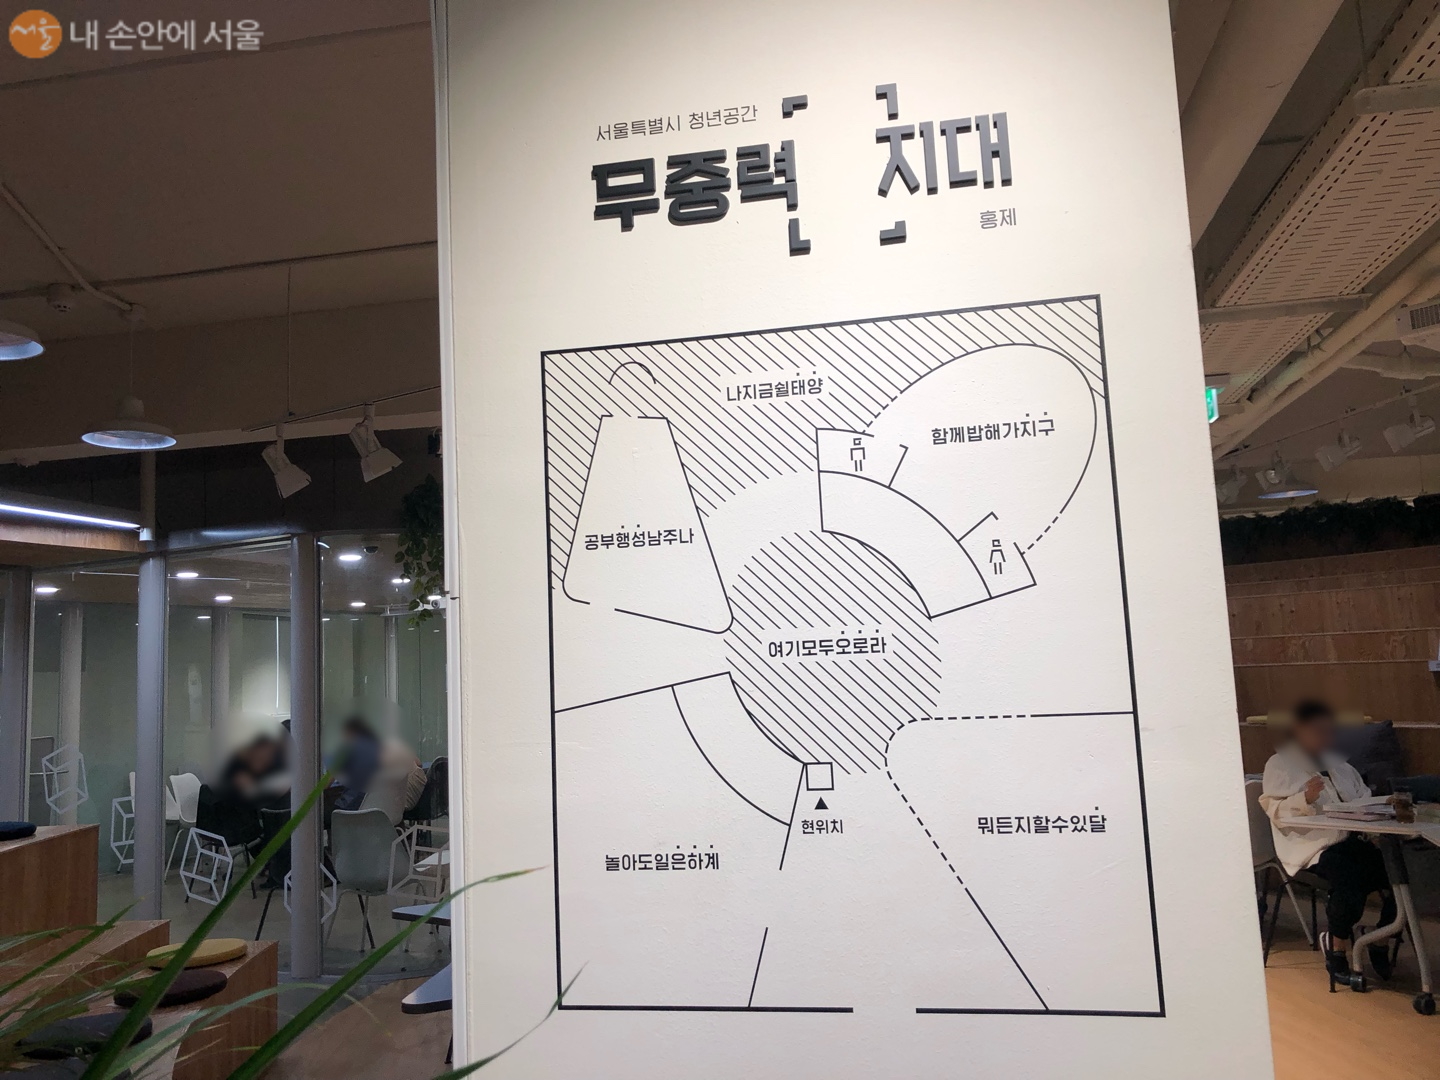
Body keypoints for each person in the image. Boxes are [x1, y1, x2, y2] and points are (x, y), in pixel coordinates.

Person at [1260, 698, 1397, 982]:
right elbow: (1276, 812)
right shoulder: (1279, 764)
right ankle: (1337, 947)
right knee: (1349, 875)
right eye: (1317, 730)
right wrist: (1304, 799)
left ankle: (1381, 937)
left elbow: (1362, 798)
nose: (1325, 737)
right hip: (1313, 847)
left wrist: (1378, 812)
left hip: (1351, 839)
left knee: (1400, 871)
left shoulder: (1339, 765)